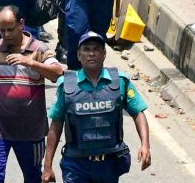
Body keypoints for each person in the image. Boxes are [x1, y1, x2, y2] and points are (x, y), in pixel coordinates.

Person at [0, 5, 64, 183]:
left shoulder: (38, 48)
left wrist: (30, 63)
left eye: (10, 29)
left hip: (30, 132)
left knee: (33, 177)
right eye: (2, 30)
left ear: (21, 24)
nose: (6, 34)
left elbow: (57, 72)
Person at [41, 31, 151, 183]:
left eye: (96, 49)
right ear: (79, 55)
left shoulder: (120, 81)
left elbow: (138, 112)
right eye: (86, 50)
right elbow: (56, 125)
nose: (91, 53)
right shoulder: (66, 85)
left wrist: (145, 145)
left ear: (104, 54)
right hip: (76, 164)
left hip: (109, 163)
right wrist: (47, 166)